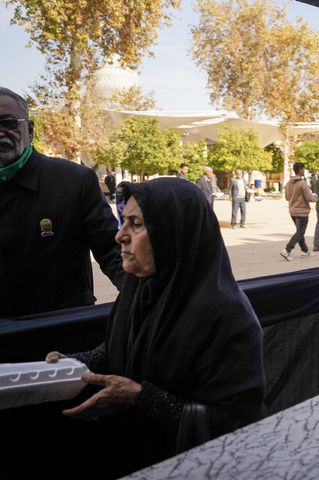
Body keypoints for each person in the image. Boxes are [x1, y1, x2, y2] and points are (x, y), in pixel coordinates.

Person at [45, 178, 266, 478]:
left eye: (135, 224)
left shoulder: (225, 315)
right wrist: (79, 364)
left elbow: (235, 422)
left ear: (173, 233)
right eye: (123, 222)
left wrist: (142, 397)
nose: (119, 236)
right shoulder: (140, 288)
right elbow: (120, 348)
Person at [0, 86, 123, 319]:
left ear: (30, 129)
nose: (0, 132)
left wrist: (148, 301)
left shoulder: (75, 180)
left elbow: (113, 252)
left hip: (62, 335)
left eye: (8, 122)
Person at [280, 162, 317, 261]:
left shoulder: (288, 183)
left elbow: (287, 197)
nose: (304, 171)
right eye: (303, 169)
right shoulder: (302, 183)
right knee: (300, 232)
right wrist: (315, 197)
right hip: (302, 211)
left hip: (292, 210)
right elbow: (309, 198)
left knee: (299, 232)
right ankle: (287, 249)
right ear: (300, 170)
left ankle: (305, 251)